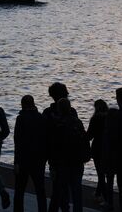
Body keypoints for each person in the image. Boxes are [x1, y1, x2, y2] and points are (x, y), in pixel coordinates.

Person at [49, 98, 89, 212]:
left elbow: (54, 145)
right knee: (77, 191)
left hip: (62, 163)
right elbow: (84, 140)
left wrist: (52, 163)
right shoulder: (77, 122)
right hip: (77, 162)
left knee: (62, 191)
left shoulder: (58, 124)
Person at [43, 82, 78, 212]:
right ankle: (64, 208)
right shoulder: (73, 113)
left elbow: (44, 135)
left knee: (57, 186)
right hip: (71, 156)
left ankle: (59, 208)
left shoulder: (47, 113)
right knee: (67, 186)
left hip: (54, 156)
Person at [14, 95, 48, 212]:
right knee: (40, 189)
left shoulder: (21, 118)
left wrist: (16, 162)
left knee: (19, 190)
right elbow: (45, 140)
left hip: (24, 159)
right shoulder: (42, 118)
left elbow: (17, 141)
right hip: (39, 160)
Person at [86, 100, 109, 205]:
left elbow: (89, 135)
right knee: (107, 174)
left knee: (100, 174)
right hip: (109, 149)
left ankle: (105, 198)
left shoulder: (95, 118)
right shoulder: (111, 117)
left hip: (97, 149)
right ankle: (99, 194)